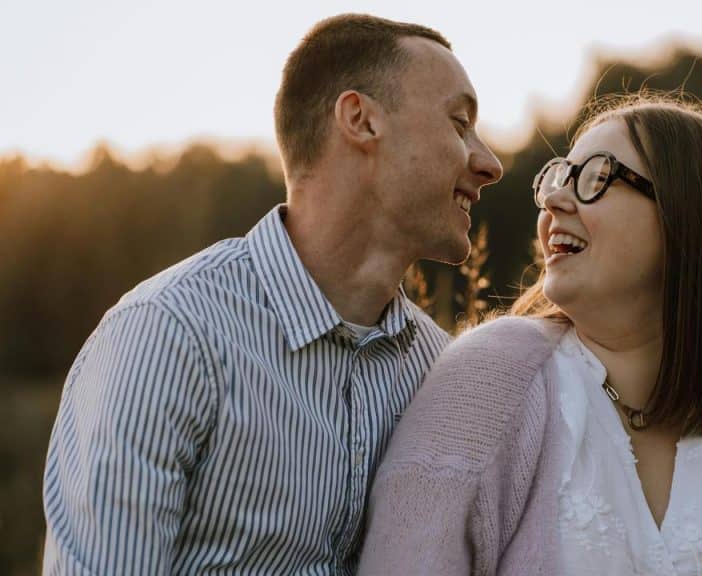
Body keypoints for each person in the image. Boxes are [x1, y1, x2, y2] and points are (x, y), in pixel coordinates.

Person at [42, 13, 502, 574]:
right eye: (459, 123)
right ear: (360, 120)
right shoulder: (168, 335)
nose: (490, 163)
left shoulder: (437, 369)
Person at [357, 96, 702, 575]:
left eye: (595, 177)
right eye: (557, 176)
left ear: (690, 218)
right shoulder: (490, 379)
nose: (553, 199)